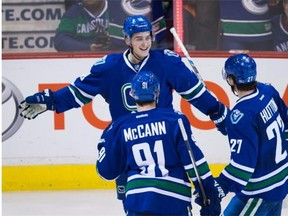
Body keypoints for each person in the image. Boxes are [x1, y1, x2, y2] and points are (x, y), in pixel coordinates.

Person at [19, 15, 228, 212]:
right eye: (139, 39)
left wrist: (216, 111)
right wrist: (51, 101)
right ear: (127, 40)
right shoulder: (109, 67)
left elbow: (195, 92)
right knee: (133, 204)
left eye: (148, 38)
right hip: (128, 144)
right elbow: (78, 92)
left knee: (172, 201)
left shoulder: (166, 63)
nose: (145, 44)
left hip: (165, 142)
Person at [96, 70, 221, 215]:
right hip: (174, 201)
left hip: (137, 202)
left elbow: (106, 172)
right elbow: (194, 163)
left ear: (132, 94)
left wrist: (103, 146)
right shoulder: (175, 120)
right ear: (157, 93)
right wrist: (208, 196)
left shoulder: (120, 126)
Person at [215, 54, 288, 215]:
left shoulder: (241, 115)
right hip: (280, 182)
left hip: (259, 191)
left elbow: (242, 167)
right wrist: (230, 124)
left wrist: (219, 186)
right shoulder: (267, 90)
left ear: (232, 80)